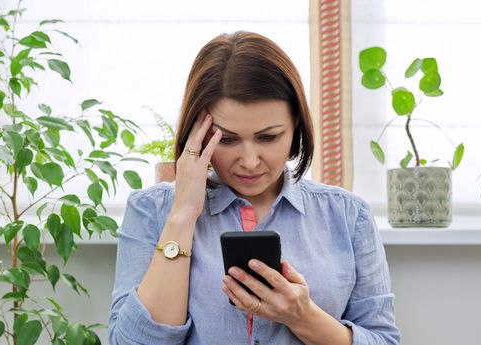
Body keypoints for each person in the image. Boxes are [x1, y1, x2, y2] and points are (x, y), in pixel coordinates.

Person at [108, 31, 399, 345]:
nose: (249, 162)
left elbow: (383, 340)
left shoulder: (347, 215)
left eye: (268, 137)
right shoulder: (151, 210)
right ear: (199, 134)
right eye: (228, 139)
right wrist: (182, 215)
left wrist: (301, 315)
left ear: (296, 129)